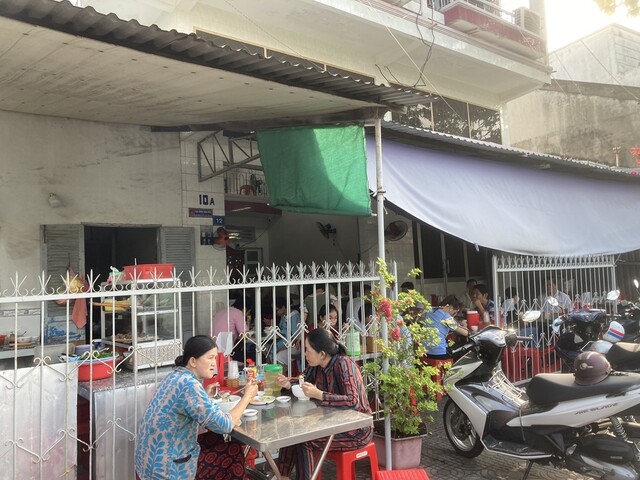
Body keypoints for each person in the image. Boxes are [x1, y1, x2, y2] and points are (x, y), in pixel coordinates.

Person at [134, 335, 258, 480]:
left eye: (215, 358)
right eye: (210, 358)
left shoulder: (175, 376)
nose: (214, 363)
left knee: (216, 438)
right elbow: (224, 425)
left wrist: (204, 396)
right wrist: (247, 396)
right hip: (166, 472)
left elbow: (187, 408)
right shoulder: (189, 384)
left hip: (148, 466)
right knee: (233, 451)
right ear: (193, 361)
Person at [275, 328, 372, 480]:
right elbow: (303, 381)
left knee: (304, 440)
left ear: (322, 354)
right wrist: (287, 384)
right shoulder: (316, 366)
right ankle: (282, 476)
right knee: (292, 432)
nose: (305, 354)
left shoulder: (344, 364)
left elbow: (353, 401)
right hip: (333, 422)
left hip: (356, 429)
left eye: (307, 350)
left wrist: (319, 394)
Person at [424, 295, 468, 359]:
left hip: (426, 351)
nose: (454, 314)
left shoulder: (430, 311)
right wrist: (464, 325)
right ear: (451, 307)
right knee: (464, 349)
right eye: (455, 312)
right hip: (439, 353)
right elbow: (465, 333)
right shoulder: (446, 317)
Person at [212, 292, 251, 361]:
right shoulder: (238, 313)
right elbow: (245, 335)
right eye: (248, 312)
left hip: (212, 345)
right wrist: (248, 321)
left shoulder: (223, 311)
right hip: (225, 350)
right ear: (245, 309)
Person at [275, 296, 302, 368]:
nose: (276, 313)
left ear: (283, 307)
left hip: (291, 345)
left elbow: (295, 338)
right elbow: (281, 329)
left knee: (277, 355)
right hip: (282, 342)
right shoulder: (283, 316)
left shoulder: (294, 316)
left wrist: (283, 348)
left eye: (277, 310)